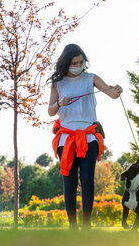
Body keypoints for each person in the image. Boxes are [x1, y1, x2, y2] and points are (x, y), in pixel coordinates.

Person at [47, 43, 123, 230]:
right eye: (75, 62)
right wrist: (59, 103)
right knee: (70, 181)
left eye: (81, 62)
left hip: (89, 136)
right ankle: (73, 226)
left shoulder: (91, 78)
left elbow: (112, 94)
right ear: (67, 63)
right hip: (67, 138)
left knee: (88, 179)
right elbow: (50, 111)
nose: (78, 65)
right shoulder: (58, 83)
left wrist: (117, 90)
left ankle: (86, 226)